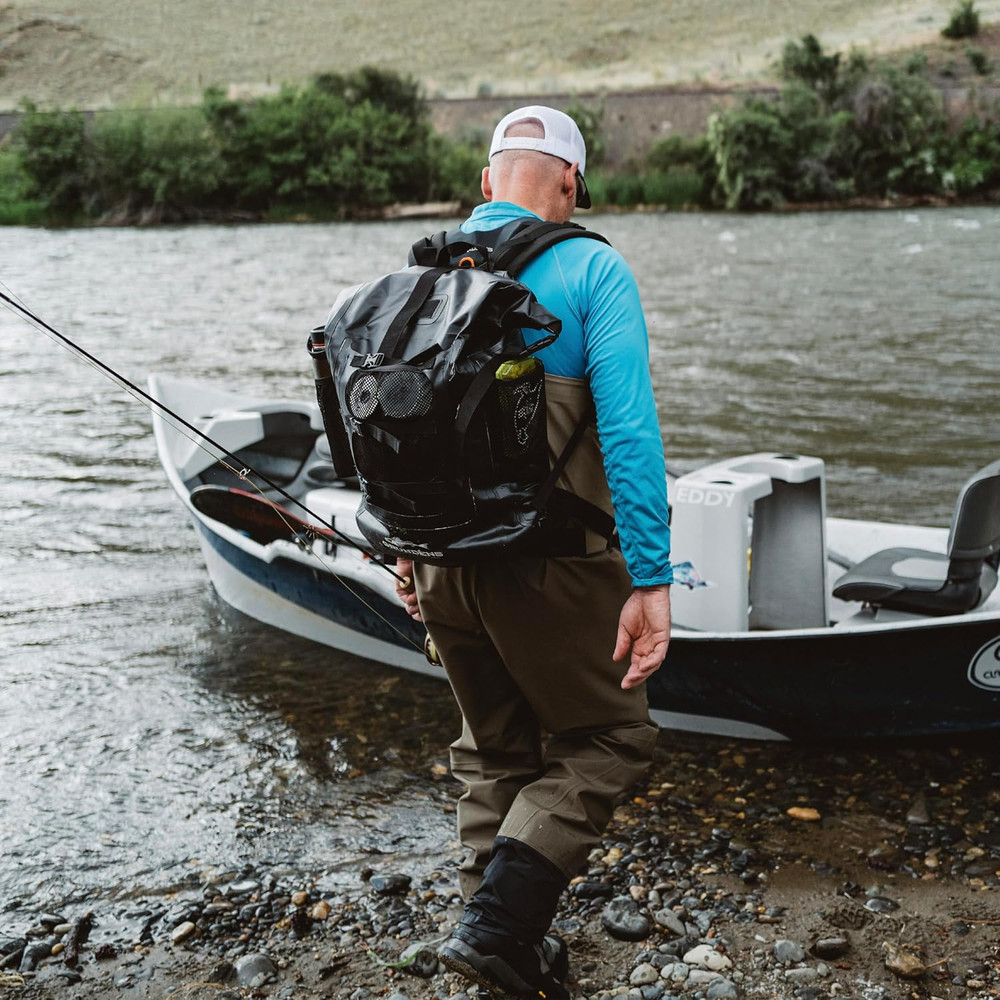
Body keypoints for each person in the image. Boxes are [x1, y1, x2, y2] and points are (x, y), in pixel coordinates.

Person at [395, 105, 673, 1000]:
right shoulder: (592, 269)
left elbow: (387, 440)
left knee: (493, 750)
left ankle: (498, 950)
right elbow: (628, 435)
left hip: (440, 563)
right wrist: (651, 578)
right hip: (549, 560)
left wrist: (407, 555)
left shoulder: (420, 279)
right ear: (571, 184)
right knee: (611, 738)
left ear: (486, 182)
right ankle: (499, 928)